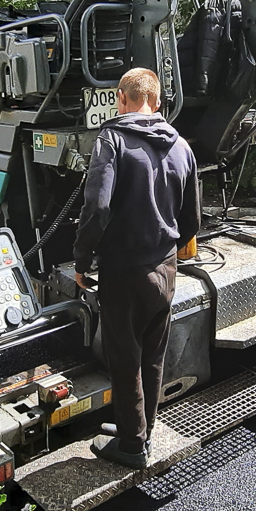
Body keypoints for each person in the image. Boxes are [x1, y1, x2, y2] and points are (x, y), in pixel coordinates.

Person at [74, 68, 200, 469]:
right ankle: (141, 431)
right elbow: (193, 219)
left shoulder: (111, 140)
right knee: (153, 356)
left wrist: (82, 260)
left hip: (124, 271)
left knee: (124, 359)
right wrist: (169, 248)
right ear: (158, 101)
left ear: (121, 98)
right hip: (164, 270)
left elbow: (96, 207)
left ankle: (131, 447)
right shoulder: (181, 146)